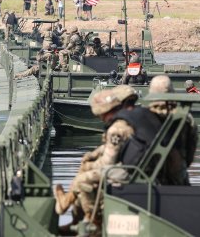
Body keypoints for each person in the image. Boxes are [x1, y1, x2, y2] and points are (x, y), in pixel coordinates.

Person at [54, 86, 153, 222]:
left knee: (81, 180)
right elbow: (118, 145)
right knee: (85, 172)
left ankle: (90, 220)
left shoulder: (118, 127)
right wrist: (93, 155)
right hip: (134, 166)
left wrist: (89, 165)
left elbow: (108, 161)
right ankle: (73, 216)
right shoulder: (137, 119)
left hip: (127, 171)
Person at [147, 75, 198, 186]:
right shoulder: (187, 119)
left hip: (146, 181)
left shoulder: (141, 116)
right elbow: (190, 155)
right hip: (178, 182)